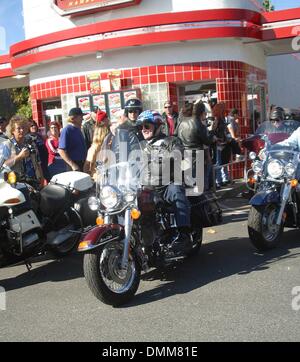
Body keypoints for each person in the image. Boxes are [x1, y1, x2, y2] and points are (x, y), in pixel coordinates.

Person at [137, 110, 192, 260]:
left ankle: (183, 234)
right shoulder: (140, 145)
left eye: (147, 125)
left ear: (158, 126)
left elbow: (178, 153)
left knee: (176, 190)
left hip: (166, 186)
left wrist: (167, 156)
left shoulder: (170, 141)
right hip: (147, 188)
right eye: (141, 126)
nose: (144, 129)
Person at [176, 100, 216, 191]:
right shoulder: (198, 124)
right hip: (197, 156)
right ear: (201, 113)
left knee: (189, 182)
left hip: (184, 155)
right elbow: (207, 141)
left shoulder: (182, 122)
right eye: (204, 113)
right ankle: (201, 202)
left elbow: (175, 135)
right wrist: (212, 131)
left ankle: (192, 202)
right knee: (199, 184)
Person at [1, 115, 44, 185]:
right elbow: (3, 166)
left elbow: (38, 163)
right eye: (19, 128)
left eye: (24, 127)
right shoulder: (7, 145)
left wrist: (42, 179)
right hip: (16, 185)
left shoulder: (31, 144)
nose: (22, 130)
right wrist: (19, 157)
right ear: (12, 130)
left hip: (34, 183)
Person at [58, 107, 87, 171]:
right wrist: (73, 165)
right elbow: (61, 151)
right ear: (74, 118)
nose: (82, 118)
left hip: (82, 164)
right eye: (81, 116)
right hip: (74, 166)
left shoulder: (78, 129)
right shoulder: (67, 130)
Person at [83, 111, 110, 180]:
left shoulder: (107, 145)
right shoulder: (95, 147)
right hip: (97, 180)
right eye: (106, 133)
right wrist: (88, 179)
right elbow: (87, 165)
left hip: (108, 177)